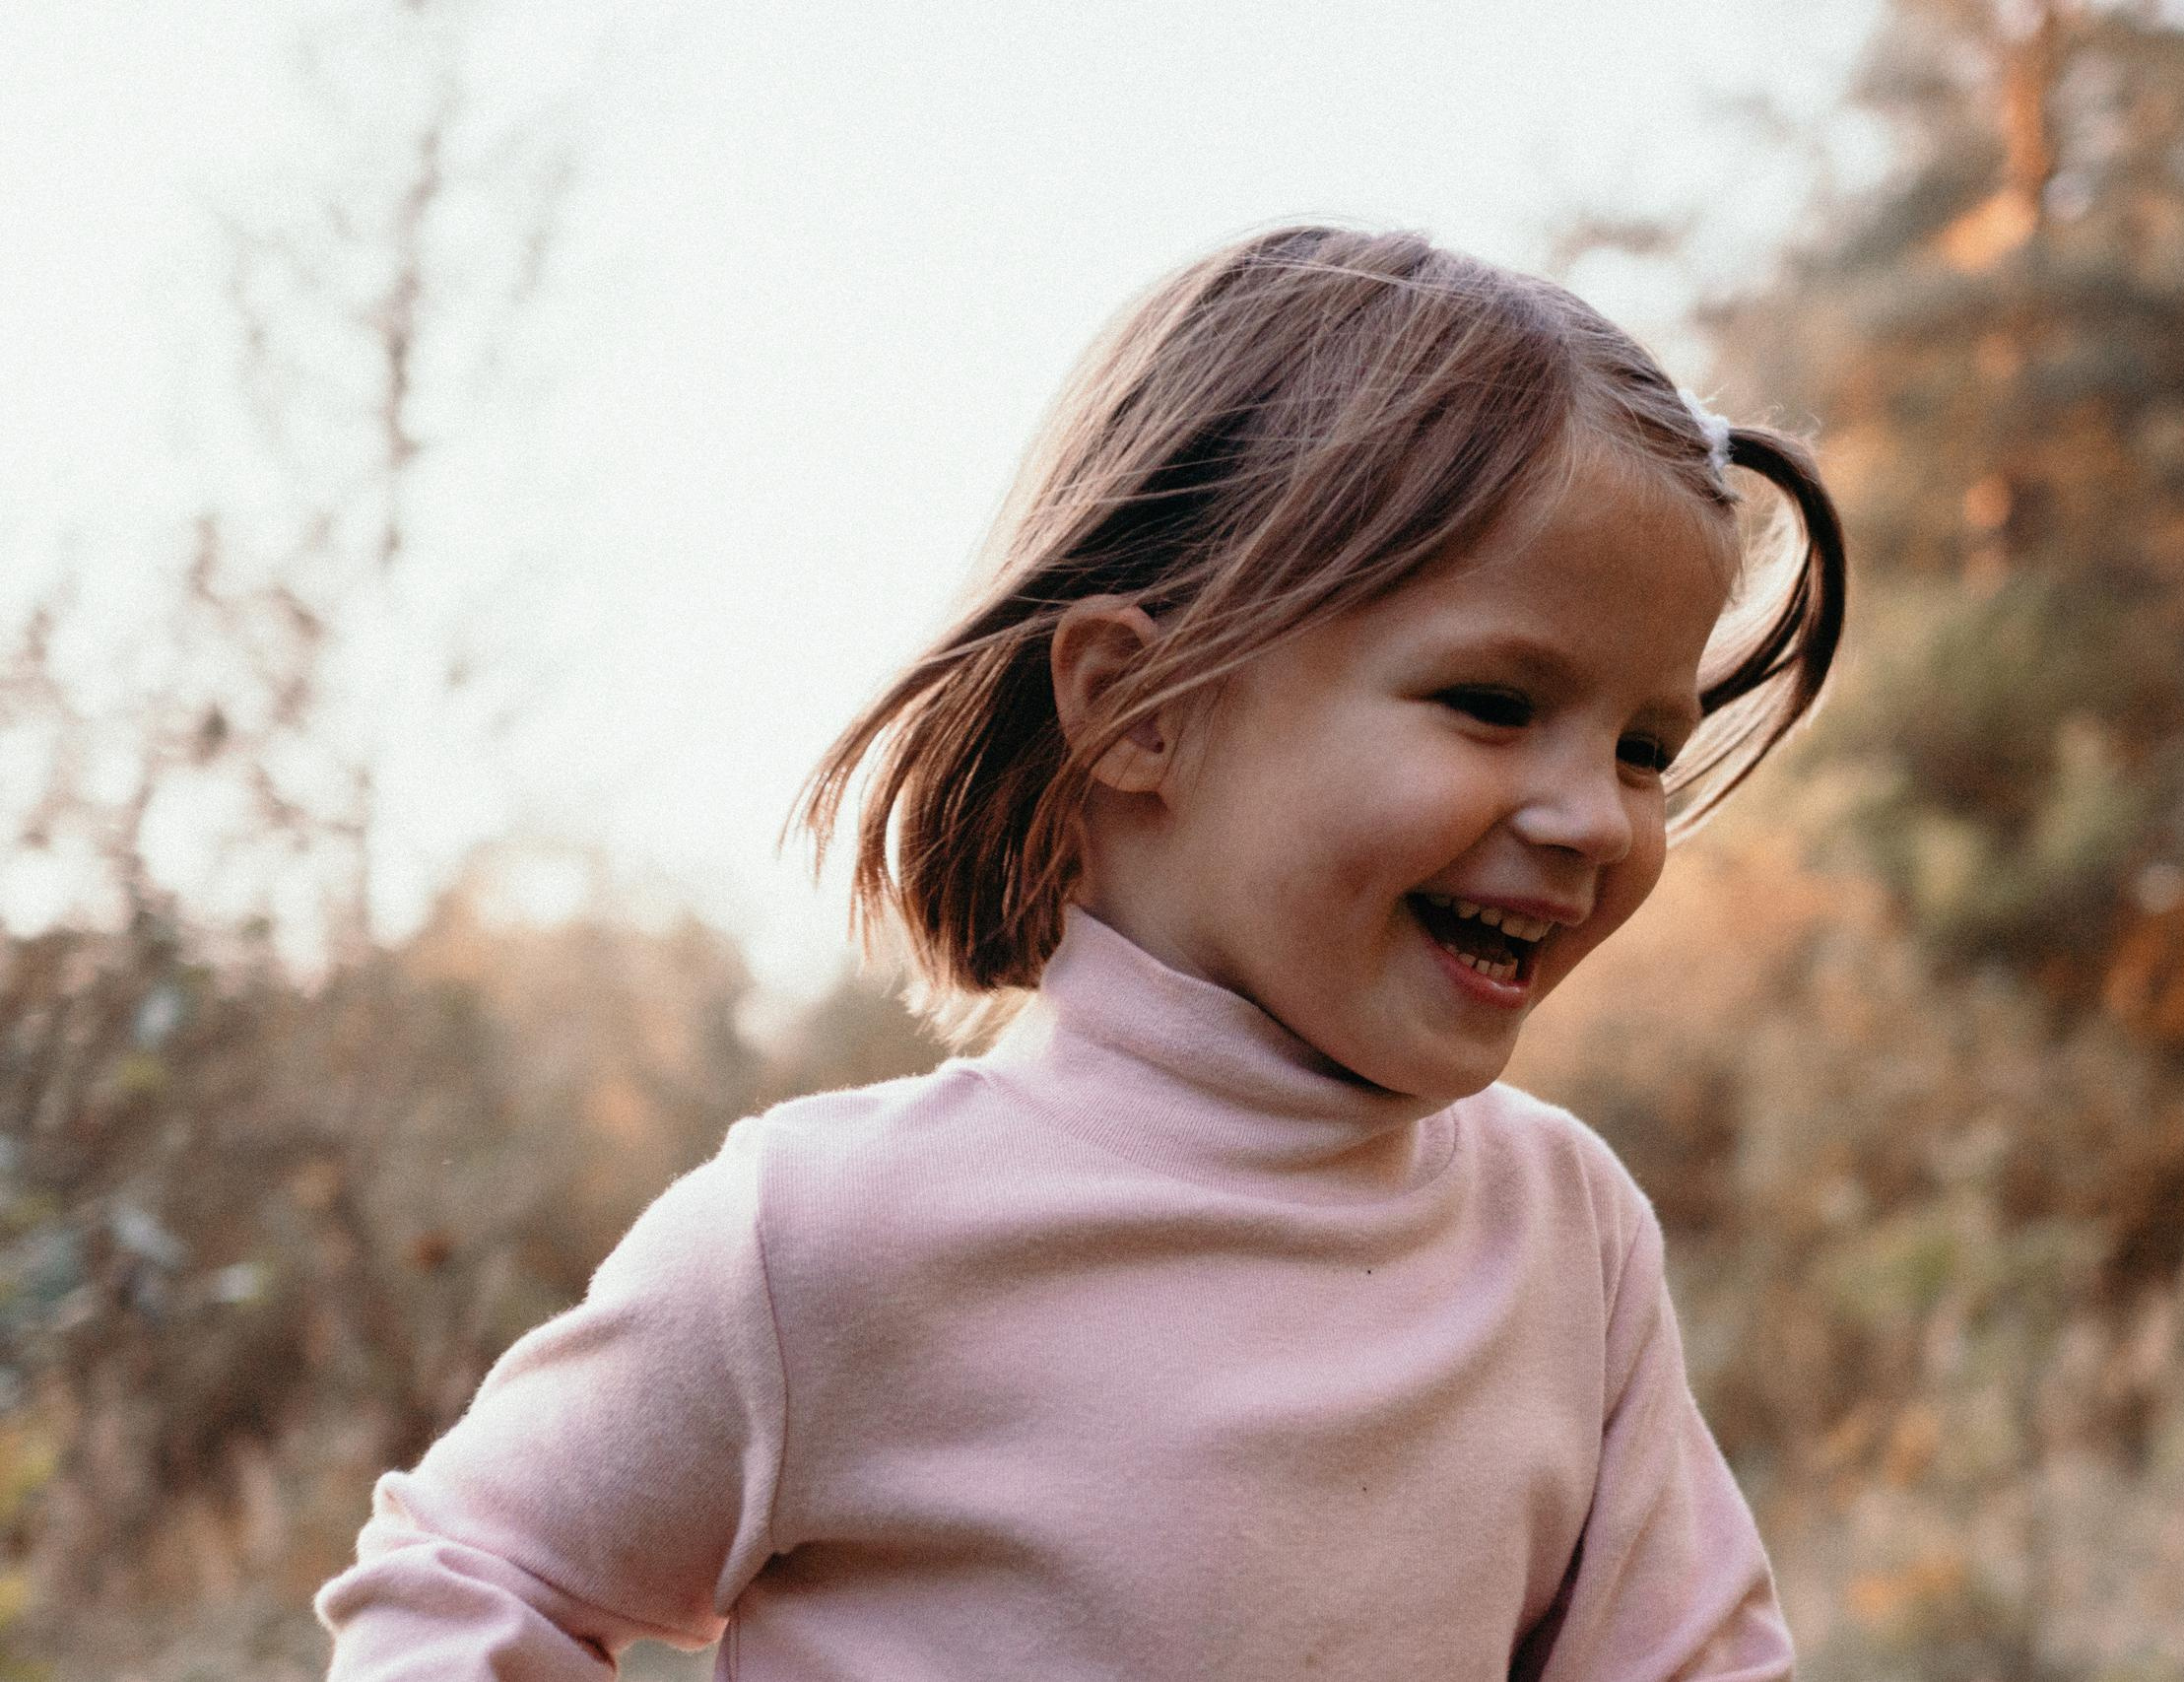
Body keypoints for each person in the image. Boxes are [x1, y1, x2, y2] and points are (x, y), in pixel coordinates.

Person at [314, 223, 1846, 1680]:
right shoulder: (835, 1236)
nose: (1595, 819)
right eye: (1494, 705)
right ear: (1140, 708)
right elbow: (463, 1579)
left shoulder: (1565, 1238)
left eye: (1647, 746)